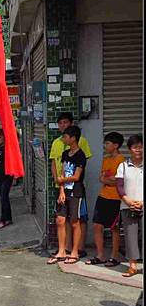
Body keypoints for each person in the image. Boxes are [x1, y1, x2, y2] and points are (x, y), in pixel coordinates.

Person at [49, 112, 92, 258]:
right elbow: (55, 163)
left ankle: (78, 249)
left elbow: (80, 169)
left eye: (65, 122)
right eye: (60, 123)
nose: (62, 126)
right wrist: (59, 182)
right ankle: (64, 249)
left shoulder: (82, 143)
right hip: (62, 187)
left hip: (76, 189)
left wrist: (64, 180)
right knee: (61, 219)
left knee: (78, 219)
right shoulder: (58, 145)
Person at [85, 132, 125, 267]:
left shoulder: (121, 160)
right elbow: (101, 178)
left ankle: (114, 256)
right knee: (97, 225)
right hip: (103, 196)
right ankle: (100, 255)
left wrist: (109, 180)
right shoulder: (106, 160)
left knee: (114, 228)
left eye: (107, 143)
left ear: (116, 145)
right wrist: (109, 180)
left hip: (116, 198)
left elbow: (119, 181)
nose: (105, 146)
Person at [116, 135, 143, 278]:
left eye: (140, 146)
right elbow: (119, 186)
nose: (138, 150)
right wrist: (128, 201)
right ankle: (132, 266)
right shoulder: (123, 166)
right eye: (135, 147)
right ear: (129, 149)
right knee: (130, 236)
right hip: (127, 206)